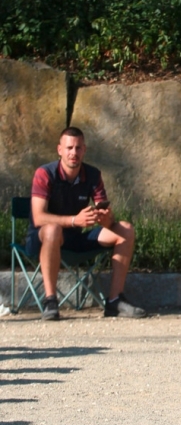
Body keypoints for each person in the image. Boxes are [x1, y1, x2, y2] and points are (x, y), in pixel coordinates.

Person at [27, 127, 145, 320]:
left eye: (78, 148)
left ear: (84, 150)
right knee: (53, 230)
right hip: (43, 239)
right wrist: (75, 220)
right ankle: (51, 301)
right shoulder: (45, 173)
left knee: (125, 229)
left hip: (76, 238)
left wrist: (105, 217)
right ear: (60, 150)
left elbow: (105, 212)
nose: (74, 153)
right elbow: (39, 217)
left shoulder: (92, 175)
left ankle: (114, 301)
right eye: (69, 148)